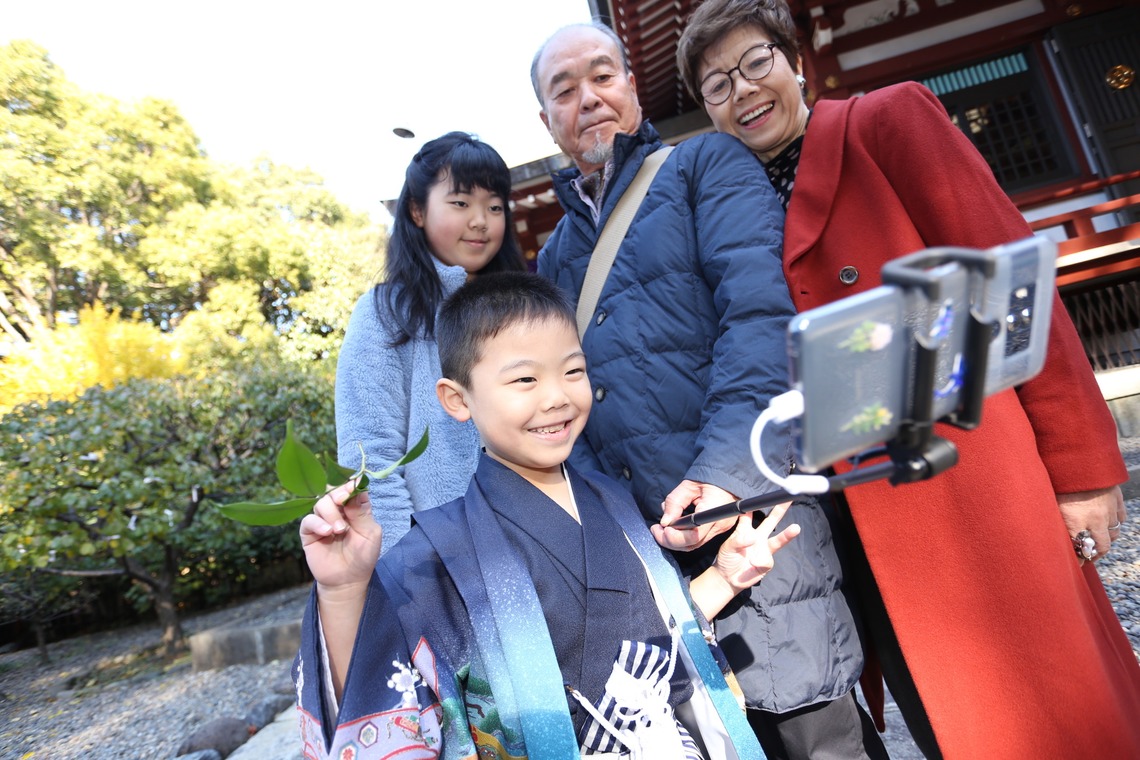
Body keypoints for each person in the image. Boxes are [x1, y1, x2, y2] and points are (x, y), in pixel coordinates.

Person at [675, 1, 1140, 758]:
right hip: (859, 523)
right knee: (951, 725)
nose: (742, 90)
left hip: (973, 487)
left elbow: (1013, 278)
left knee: (1057, 713)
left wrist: (1083, 471)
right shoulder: (735, 209)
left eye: (755, 62)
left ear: (797, 61)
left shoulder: (886, 123)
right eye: (717, 84)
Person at [532, 21, 889, 760]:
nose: (588, 99)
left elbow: (763, 322)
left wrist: (724, 481)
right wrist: (612, 540)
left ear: (632, 86)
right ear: (546, 121)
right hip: (655, 565)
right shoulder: (553, 257)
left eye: (603, 76)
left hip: (757, 523)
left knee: (813, 729)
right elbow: (564, 415)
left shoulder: (705, 166)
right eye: (564, 91)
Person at [295, 271, 802, 759]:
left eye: (573, 371)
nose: (557, 396)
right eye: (524, 379)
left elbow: (653, 634)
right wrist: (341, 591)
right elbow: (379, 690)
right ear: (457, 399)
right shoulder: (435, 551)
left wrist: (724, 579)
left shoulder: (610, 499)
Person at [335, 131, 526, 553]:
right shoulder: (385, 313)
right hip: (444, 557)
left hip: (540, 540)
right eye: (460, 203)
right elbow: (371, 456)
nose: (481, 220)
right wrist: (407, 565)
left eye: (494, 207)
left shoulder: (525, 307)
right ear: (418, 211)